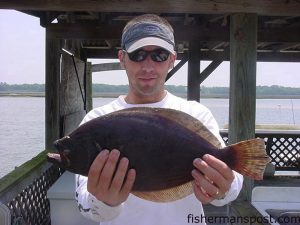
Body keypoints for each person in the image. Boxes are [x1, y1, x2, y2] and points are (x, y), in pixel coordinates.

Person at [75, 14, 243, 225]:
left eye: (159, 55)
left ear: (172, 60)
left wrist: (223, 188)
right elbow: (85, 203)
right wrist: (104, 203)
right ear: (122, 59)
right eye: (137, 55)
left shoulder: (196, 114)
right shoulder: (97, 119)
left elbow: (232, 182)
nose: (148, 66)